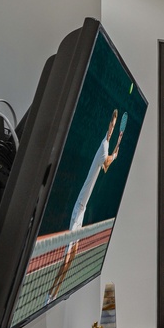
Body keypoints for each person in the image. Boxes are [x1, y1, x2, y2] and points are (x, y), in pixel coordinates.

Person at [46, 110, 125, 303]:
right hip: (78, 209)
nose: (112, 128)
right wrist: (115, 133)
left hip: (81, 211)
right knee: (67, 256)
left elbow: (107, 164)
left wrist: (118, 144)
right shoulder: (102, 148)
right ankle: (50, 295)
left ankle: (55, 293)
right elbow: (108, 159)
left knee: (72, 256)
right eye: (112, 127)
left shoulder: (104, 155)